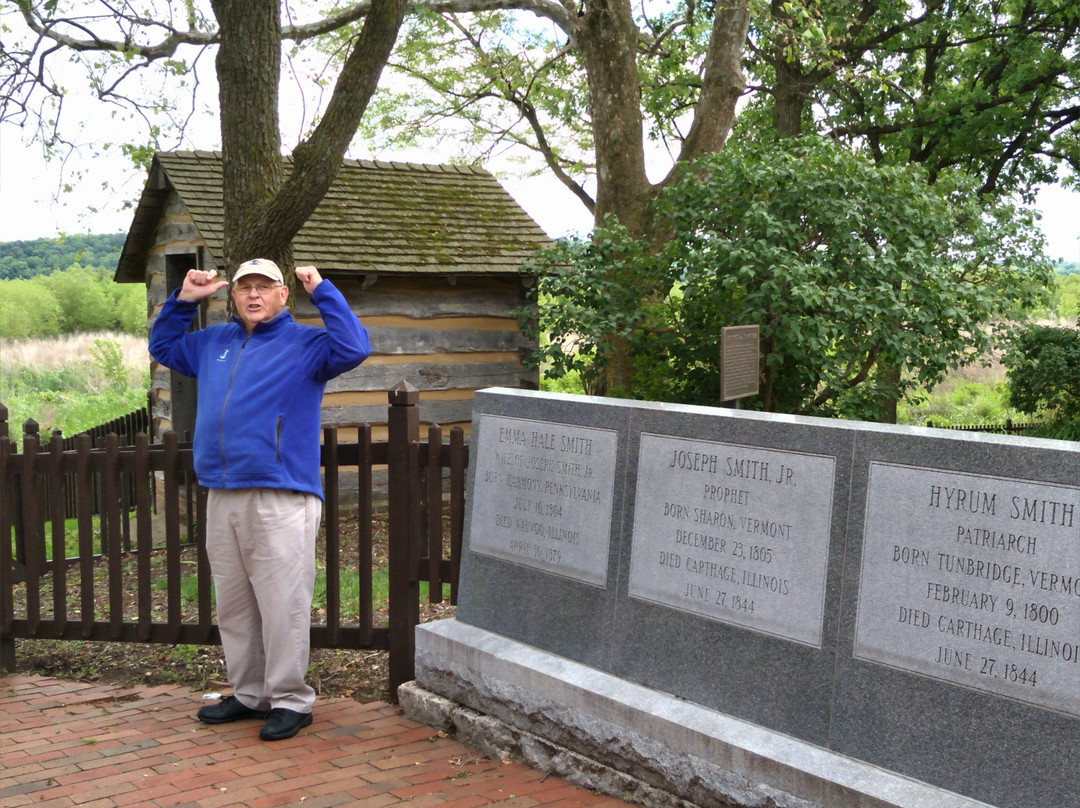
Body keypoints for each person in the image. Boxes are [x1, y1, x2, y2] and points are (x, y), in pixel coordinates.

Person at [149, 258, 370, 740]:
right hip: (221, 491)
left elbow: (355, 346)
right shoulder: (213, 343)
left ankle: (290, 700)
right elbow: (163, 346)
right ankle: (250, 694)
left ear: (282, 294)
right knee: (234, 604)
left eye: (264, 287)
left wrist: (323, 290)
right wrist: (183, 301)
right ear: (233, 296)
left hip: (280, 494)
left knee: (282, 604)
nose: (254, 295)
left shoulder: (307, 345)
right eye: (245, 287)